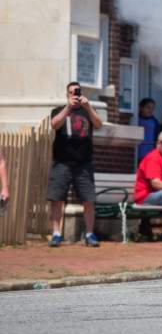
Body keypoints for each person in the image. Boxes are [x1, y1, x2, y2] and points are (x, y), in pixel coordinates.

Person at [47, 81, 103, 247]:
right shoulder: (59, 110)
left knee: (88, 199)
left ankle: (89, 234)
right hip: (62, 162)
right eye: (71, 92)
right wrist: (68, 108)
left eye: (77, 92)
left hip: (83, 163)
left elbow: (99, 124)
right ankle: (56, 233)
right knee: (57, 198)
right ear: (67, 94)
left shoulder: (87, 111)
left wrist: (89, 107)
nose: (74, 95)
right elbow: (54, 124)